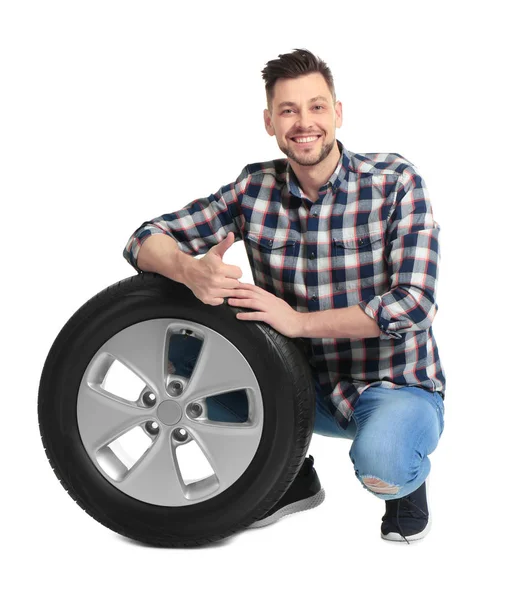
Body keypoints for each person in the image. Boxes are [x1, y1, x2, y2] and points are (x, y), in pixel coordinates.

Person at [122, 48, 446, 543]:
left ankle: (404, 487)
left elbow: (415, 303)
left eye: (316, 107)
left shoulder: (394, 181)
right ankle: (291, 474)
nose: (304, 123)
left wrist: (298, 321)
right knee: (185, 350)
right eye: (289, 111)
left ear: (337, 113)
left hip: (393, 383)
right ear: (270, 122)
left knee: (384, 463)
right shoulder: (255, 188)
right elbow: (145, 238)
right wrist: (191, 271)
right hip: (290, 386)